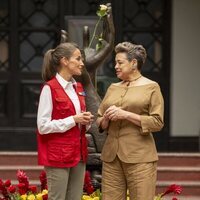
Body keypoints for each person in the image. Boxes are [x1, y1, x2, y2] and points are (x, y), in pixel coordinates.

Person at [97, 41, 164, 200]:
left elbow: (157, 122)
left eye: (120, 62)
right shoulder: (113, 87)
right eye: (115, 63)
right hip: (111, 157)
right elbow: (99, 119)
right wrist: (105, 119)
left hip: (140, 157)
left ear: (134, 63)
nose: (116, 67)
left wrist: (126, 115)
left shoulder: (151, 87)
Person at [36, 42, 94, 200]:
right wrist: (73, 119)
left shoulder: (78, 87)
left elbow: (78, 124)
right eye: (78, 58)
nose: (82, 63)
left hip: (79, 152)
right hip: (58, 155)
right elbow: (43, 126)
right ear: (64, 61)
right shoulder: (50, 88)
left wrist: (85, 121)